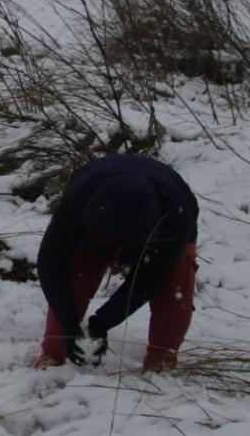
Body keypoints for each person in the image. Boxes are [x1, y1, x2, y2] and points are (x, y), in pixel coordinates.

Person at [35, 154, 199, 372]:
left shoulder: (175, 216)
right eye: (107, 243)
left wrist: (104, 321)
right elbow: (51, 263)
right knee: (75, 280)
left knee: (175, 290)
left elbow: (150, 279)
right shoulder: (78, 199)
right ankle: (53, 355)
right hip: (94, 224)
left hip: (162, 226)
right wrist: (67, 322)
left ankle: (161, 362)